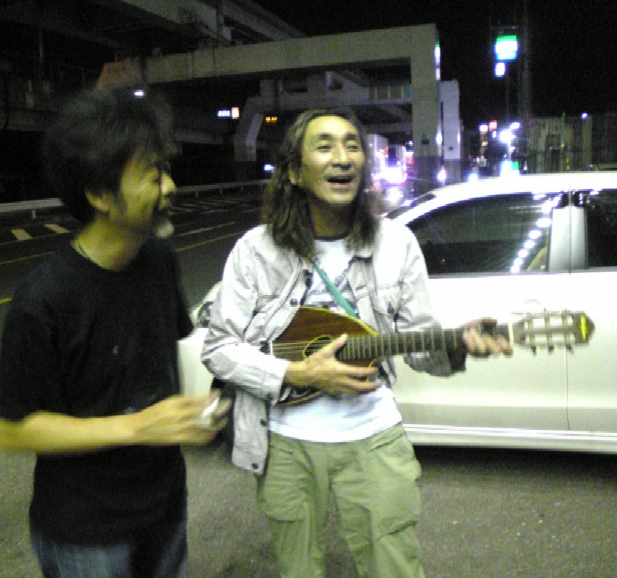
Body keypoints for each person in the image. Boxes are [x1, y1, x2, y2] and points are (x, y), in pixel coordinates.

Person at [201, 109, 512, 578]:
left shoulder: (397, 244)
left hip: (374, 436)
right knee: (299, 570)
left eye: (352, 145)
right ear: (294, 171)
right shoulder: (255, 250)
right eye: (324, 146)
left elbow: (420, 347)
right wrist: (297, 373)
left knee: (395, 567)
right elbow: (219, 348)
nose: (342, 157)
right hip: (284, 443)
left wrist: (458, 346)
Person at [0, 85, 229, 578]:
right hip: (86, 534)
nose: (170, 187)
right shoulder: (44, 299)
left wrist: (201, 410)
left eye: (167, 170)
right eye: (152, 175)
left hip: (165, 508)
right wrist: (139, 427)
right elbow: (11, 429)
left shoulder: (158, 259)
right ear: (99, 194)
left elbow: (171, 359)